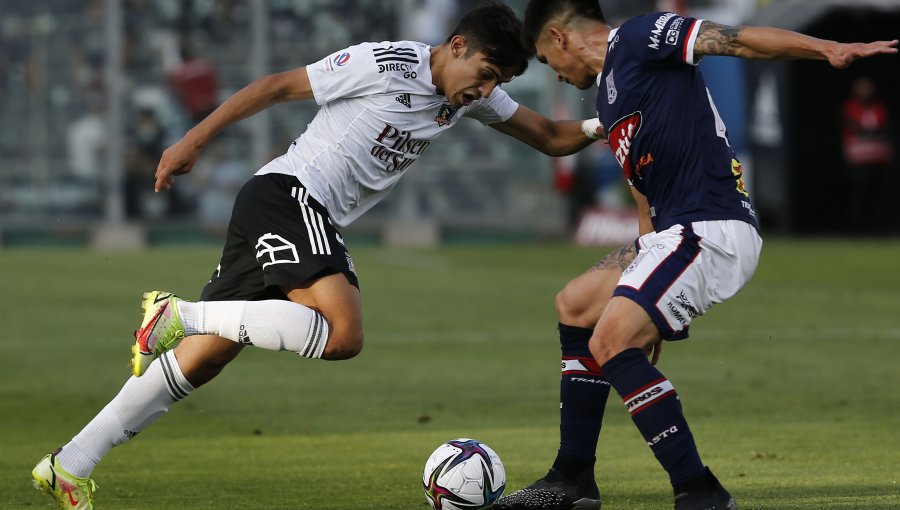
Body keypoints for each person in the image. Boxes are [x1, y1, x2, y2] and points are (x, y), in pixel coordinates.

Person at [30, 3, 607, 509]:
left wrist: (610, 122)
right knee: (342, 335)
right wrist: (192, 141)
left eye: (496, 82)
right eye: (484, 75)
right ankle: (177, 315)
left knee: (203, 360)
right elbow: (275, 86)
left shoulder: (465, 97)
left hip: (291, 213)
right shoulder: (387, 63)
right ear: (457, 46)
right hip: (289, 196)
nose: (485, 91)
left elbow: (552, 137)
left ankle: (70, 464)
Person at [494, 2, 899, 510]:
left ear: (559, 37)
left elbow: (736, 38)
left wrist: (827, 49)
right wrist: (639, 293)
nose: (554, 71)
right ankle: (572, 476)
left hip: (713, 225)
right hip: (671, 236)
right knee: (575, 305)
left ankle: (700, 492)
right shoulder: (612, 97)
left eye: (545, 58)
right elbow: (643, 195)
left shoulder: (640, 37)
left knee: (612, 340)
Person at [840, 76, 894, 234]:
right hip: (857, 160)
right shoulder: (849, 107)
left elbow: (884, 128)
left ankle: (875, 230)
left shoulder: (879, 108)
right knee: (858, 196)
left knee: (876, 195)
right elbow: (855, 127)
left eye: (867, 87)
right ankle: (856, 230)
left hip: (877, 158)